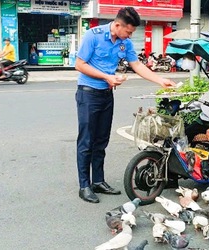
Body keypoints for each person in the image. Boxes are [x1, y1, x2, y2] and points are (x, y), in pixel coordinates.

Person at [75, 7, 175, 203]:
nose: (129, 36)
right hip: (88, 94)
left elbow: (137, 65)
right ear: (118, 25)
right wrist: (107, 77)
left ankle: (98, 181)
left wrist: (160, 80)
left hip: (106, 94)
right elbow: (80, 64)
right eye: (128, 32)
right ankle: (84, 185)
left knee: (101, 141)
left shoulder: (124, 43)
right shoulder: (93, 36)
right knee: (86, 141)